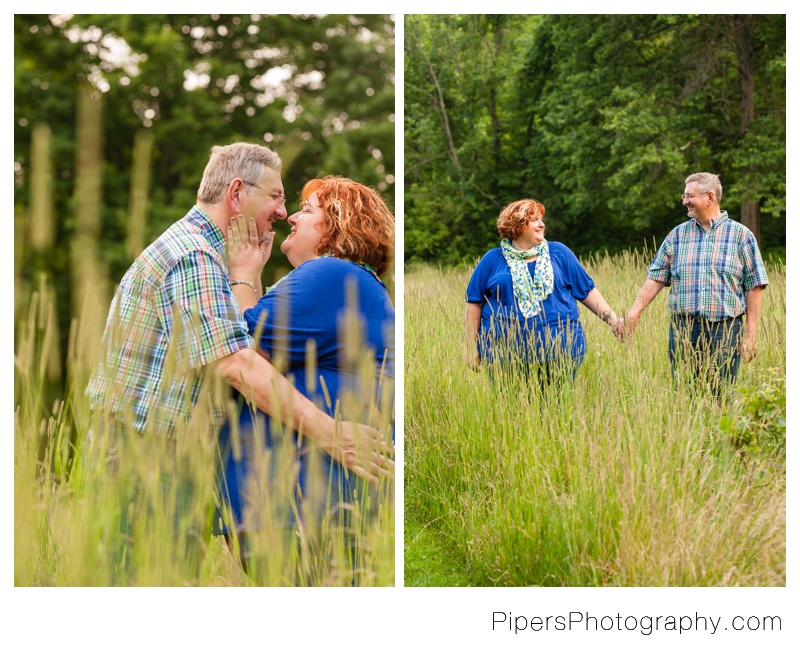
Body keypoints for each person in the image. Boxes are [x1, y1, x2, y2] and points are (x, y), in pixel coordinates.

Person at [86, 143, 392, 483]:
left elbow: (252, 345)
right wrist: (331, 434)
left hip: (162, 449)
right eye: (276, 196)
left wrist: (246, 276)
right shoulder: (194, 254)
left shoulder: (209, 257)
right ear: (236, 193)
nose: (283, 211)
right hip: (144, 451)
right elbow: (237, 362)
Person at [220, 176, 394, 569]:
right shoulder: (344, 283)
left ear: (337, 226)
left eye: (308, 210)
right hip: (310, 502)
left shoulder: (330, 275)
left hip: (310, 503)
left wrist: (243, 272)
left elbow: (241, 350)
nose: (293, 216)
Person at [621, 172, 769, 392]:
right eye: (684, 195)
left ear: (709, 197)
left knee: (722, 395)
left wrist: (750, 335)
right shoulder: (677, 236)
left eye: (690, 195)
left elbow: (755, 286)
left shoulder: (741, 236)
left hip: (726, 331)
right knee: (684, 394)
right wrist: (633, 314)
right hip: (683, 330)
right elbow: (655, 278)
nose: (684, 201)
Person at [466, 198, 620, 389]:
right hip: (504, 355)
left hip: (561, 352)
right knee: (513, 413)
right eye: (534, 220)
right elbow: (474, 302)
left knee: (555, 412)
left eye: (541, 219)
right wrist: (471, 348)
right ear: (518, 225)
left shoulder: (559, 253)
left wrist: (614, 322)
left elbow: (586, 291)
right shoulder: (492, 259)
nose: (542, 224)